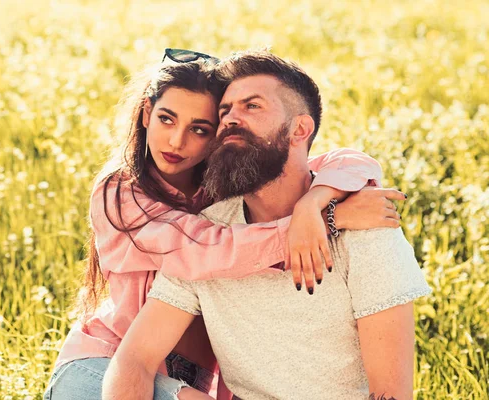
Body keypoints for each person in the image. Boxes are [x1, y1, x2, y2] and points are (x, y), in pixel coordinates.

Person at [45, 50, 406, 400]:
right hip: (105, 363)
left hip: (189, 378)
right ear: (145, 114)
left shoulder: (224, 184)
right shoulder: (122, 195)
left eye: (200, 129)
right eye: (166, 119)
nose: (176, 141)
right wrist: (329, 219)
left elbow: (345, 160)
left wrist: (314, 202)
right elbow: (207, 250)